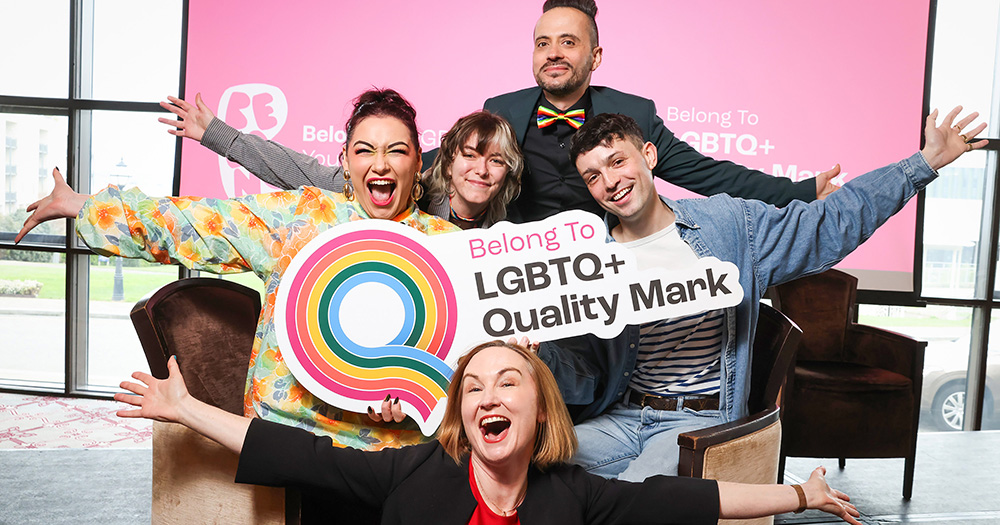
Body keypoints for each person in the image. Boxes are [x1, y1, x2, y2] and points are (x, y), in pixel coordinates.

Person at [535, 107, 987, 481]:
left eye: (617, 161)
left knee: (632, 502)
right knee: (519, 465)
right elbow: (585, 373)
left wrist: (921, 164)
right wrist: (538, 351)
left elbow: (830, 223)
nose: (610, 181)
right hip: (623, 416)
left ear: (649, 156)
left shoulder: (730, 225)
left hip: (696, 424)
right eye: (593, 176)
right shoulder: (592, 260)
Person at [16, 88, 458, 451]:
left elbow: (471, 355)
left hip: (402, 446)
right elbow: (191, 223)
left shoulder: (445, 246)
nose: (380, 164)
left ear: (419, 162)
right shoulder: (301, 217)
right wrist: (84, 206)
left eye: (396, 151)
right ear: (345, 161)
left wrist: (428, 394)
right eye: (365, 150)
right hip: (295, 431)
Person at [162, 1, 839, 224]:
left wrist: (800, 191)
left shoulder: (633, 116)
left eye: (567, 43)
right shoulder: (500, 113)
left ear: (594, 57)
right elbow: (362, 174)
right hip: (509, 273)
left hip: (602, 275)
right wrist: (216, 133)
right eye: (542, 42)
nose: (552, 54)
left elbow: (711, 173)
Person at [114, 341, 863, 524]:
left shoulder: (576, 493)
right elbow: (296, 452)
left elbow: (683, 501)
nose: (488, 394)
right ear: (462, 417)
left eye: (509, 381)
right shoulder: (410, 474)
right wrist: (185, 409)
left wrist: (801, 492)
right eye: (472, 387)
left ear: (540, 413)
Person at [160, 97, 522, 228]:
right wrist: (217, 134)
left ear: (508, 171)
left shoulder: (506, 231)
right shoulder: (411, 189)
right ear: (446, 162)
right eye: (470, 156)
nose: (481, 170)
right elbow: (294, 169)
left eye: (496, 160)